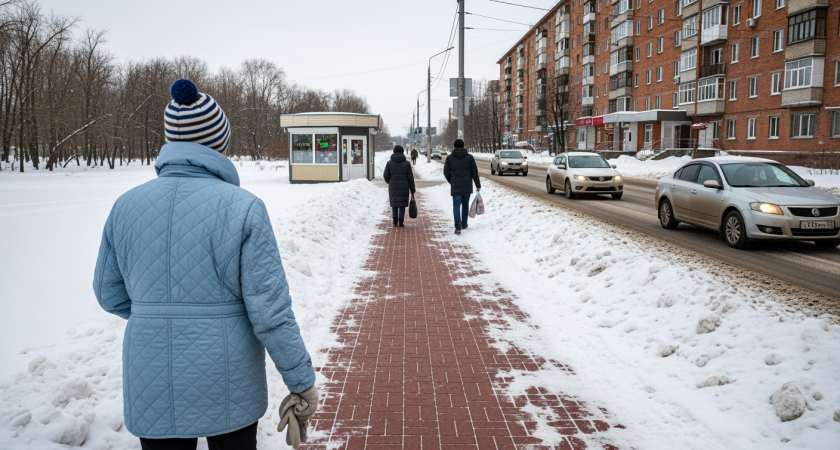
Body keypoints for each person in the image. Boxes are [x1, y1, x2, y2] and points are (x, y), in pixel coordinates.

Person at [93, 79, 318, 450]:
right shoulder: (244, 207)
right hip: (227, 378)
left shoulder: (125, 206)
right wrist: (300, 381)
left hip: (151, 378)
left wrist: (157, 313)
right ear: (220, 144)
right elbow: (270, 311)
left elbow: (109, 294)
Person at [443, 139, 481, 235]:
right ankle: (464, 223)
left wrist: (451, 181)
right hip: (467, 185)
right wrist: (478, 185)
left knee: (456, 205)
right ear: (463, 146)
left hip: (456, 185)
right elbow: (474, 173)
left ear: (454, 147)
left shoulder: (450, 158)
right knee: (465, 204)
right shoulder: (470, 157)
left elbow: (446, 172)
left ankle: (458, 226)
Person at [383, 145, 416, 227]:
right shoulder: (407, 163)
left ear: (394, 152)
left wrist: (389, 181)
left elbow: (385, 175)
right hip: (404, 187)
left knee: (394, 204)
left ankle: (394, 221)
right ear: (402, 152)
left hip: (393, 186)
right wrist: (412, 190)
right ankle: (401, 221)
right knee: (402, 205)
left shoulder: (389, 163)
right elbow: (410, 178)